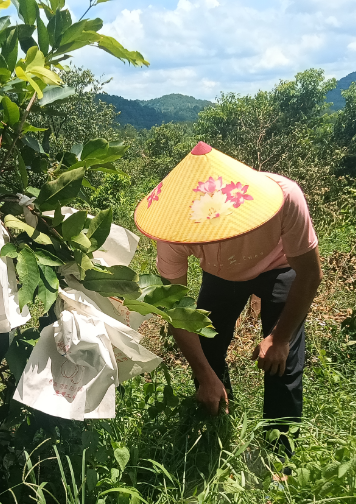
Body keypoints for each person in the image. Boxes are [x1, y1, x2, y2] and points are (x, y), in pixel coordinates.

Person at [134, 142, 322, 457]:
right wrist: (205, 374)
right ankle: (217, 421)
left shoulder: (285, 197)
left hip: (279, 266)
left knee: (283, 360)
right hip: (222, 276)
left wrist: (279, 338)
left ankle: (279, 458)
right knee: (207, 350)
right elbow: (176, 309)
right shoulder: (172, 230)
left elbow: (310, 274)